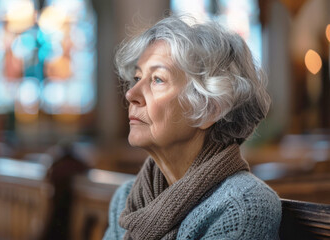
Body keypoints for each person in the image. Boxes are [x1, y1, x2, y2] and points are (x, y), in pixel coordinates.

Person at [103, 15, 281, 240]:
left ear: (210, 108)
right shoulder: (126, 199)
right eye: (137, 77)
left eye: (157, 79)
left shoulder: (243, 205)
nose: (131, 94)